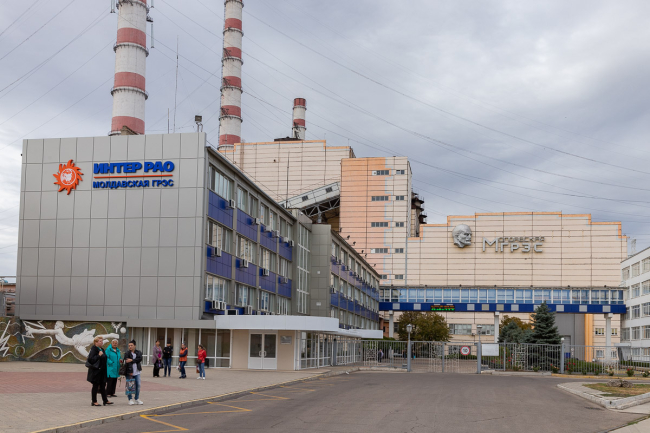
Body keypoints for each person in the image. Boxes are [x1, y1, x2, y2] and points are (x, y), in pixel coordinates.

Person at [86, 336, 112, 407]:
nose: (102, 342)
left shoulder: (102, 349)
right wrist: (98, 355)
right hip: (96, 371)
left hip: (102, 371)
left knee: (103, 386)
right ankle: (94, 401)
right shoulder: (93, 350)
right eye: (100, 341)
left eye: (102, 341)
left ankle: (105, 400)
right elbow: (91, 360)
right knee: (95, 386)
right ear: (96, 342)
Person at [124, 340, 143, 405]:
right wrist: (130, 371)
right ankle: (130, 399)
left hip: (137, 371)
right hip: (130, 372)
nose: (130, 347)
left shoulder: (138, 352)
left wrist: (132, 360)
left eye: (131, 345)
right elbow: (127, 361)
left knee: (138, 385)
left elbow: (139, 359)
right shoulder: (127, 353)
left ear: (134, 345)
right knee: (130, 386)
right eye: (129, 345)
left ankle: (137, 398)